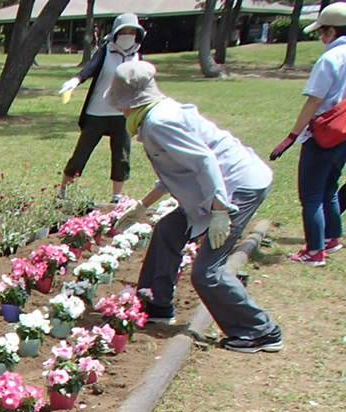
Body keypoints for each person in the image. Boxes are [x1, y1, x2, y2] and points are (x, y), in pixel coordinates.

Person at [110, 61, 283, 354]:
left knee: (207, 272)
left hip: (237, 188)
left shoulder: (158, 122)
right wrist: (142, 207)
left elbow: (204, 161)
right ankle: (156, 302)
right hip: (218, 189)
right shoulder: (158, 114)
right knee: (168, 229)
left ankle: (260, 330)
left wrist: (219, 212)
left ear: (128, 102)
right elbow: (177, 170)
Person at [269, 2, 346, 266]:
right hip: (344, 132)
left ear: (333, 31)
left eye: (322, 32)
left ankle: (315, 252)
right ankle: (332, 238)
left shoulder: (330, 59)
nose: (321, 37)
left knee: (311, 194)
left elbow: (314, 100)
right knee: (330, 188)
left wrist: (292, 136)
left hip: (323, 132)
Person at [58, 14, 145, 204]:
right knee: (81, 153)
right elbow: (90, 68)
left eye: (132, 32)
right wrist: (75, 81)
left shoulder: (137, 56)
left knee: (122, 156)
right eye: (124, 31)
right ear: (116, 33)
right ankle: (62, 192)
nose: (128, 35)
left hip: (122, 114)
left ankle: (117, 197)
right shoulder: (106, 51)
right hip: (97, 113)